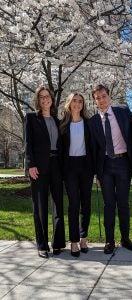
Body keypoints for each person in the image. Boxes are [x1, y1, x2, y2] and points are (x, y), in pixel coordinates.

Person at [88, 84, 132, 254]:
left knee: (123, 203)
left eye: (103, 96)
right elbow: (94, 150)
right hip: (105, 167)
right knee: (109, 205)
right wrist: (96, 173)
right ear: (94, 101)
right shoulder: (92, 122)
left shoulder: (123, 111)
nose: (101, 100)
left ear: (109, 97)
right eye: (97, 98)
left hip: (124, 163)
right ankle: (109, 241)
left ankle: (125, 239)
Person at [25, 85, 66, 258]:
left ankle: (57, 243)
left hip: (56, 164)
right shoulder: (31, 118)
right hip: (39, 166)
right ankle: (42, 245)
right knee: (40, 205)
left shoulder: (58, 120)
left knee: (58, 204)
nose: (45, 99)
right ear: (38, 100)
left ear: (51, 98)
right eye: (41, 97)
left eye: (47, 96)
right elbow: (28, 144)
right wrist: (30, 165)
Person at [60, 92, 94, 257]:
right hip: (70, 168)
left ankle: (83, 238)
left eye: (80, 101)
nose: (77, 104)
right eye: (74, 100)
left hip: (86, 166)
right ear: (69, 103)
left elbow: (94, 148)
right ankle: (73, 242)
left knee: (86, 204)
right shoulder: (63, 125)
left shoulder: (88, 124)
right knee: (74, 204)